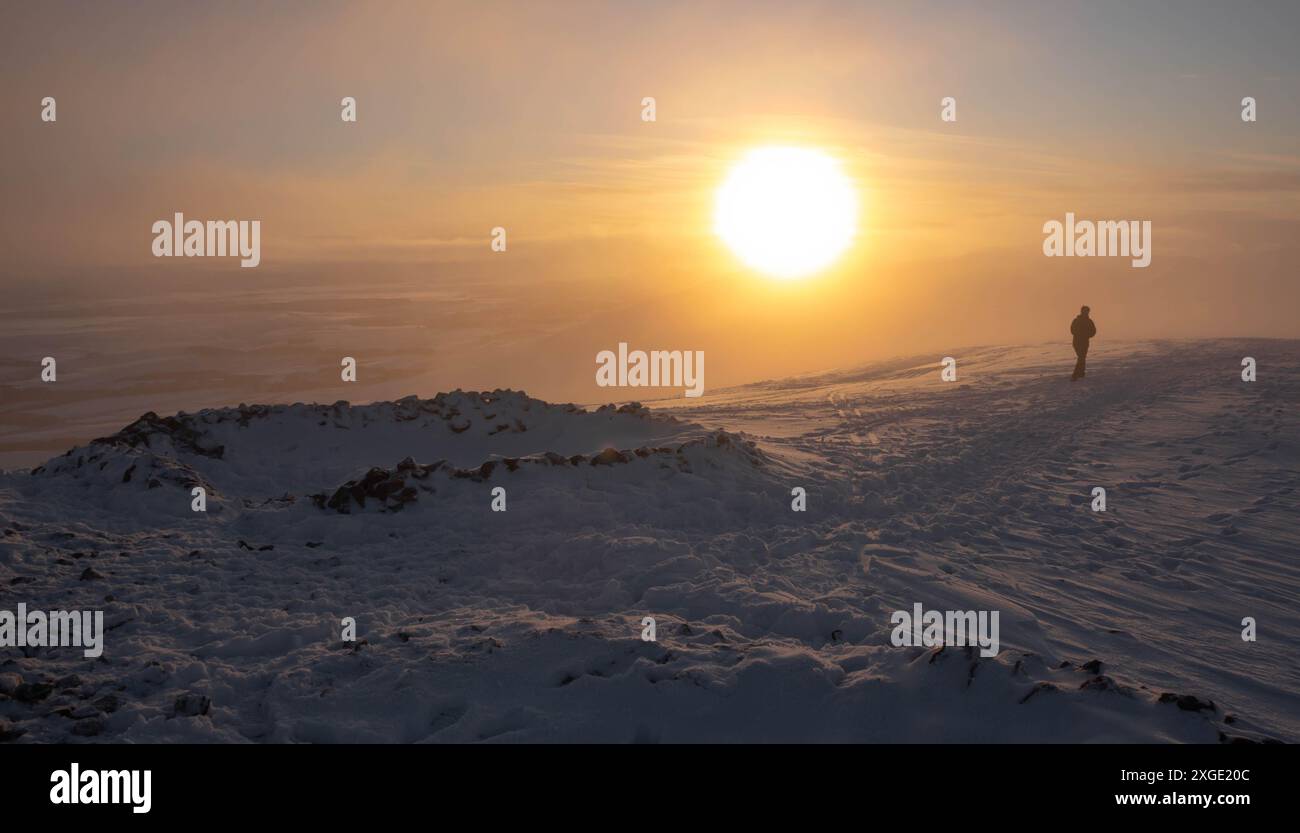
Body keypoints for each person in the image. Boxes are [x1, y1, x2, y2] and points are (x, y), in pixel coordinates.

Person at [1070, 305, 1096, 381]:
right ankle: (1078, 373)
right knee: (1081, 357)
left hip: (1085, 342)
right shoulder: (1076, 320)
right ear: (1081, 311)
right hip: (1076, 342)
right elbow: (1072, 330)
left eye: (1087, 311)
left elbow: (1093, 331)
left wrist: (1087, 335)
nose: (1086, 312)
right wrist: (1079, 334)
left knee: (1081, 357)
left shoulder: (1089, 321)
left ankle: (1078, 373)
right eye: (1084, 311)